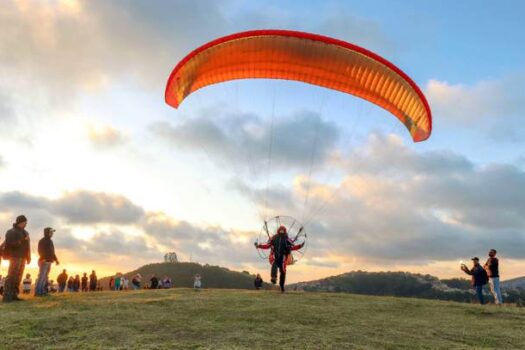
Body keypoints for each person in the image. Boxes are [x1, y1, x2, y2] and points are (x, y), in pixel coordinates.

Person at [255, 225, 304, 293]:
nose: (281, 231)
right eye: (280, 230)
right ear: (278, 230)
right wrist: (259, 246)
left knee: (283, 271)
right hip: (275, 256)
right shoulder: (274, 238)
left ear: (284, 231)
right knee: (274, 264)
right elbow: (267, 245)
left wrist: (300, 246)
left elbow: (292, 247)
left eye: (283, 230)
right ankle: (274, 278)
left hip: (283, 258)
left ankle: (282, 286)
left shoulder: (287, 239)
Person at [3, 215, 31, 302]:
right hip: (14, 256)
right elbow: (10, 244)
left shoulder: (25, 232)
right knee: (11, 276)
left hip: (22, 257)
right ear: (20, 222)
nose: (26, 223)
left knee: (18, 277)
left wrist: (28, 257)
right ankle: (7, 296)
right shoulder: (11, 231)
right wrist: (23, 240)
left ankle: (14, 295)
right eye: (25, 222)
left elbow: (27, 246)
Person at [35, 227, 59, 297]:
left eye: (52, 232)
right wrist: (43, 258)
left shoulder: (51, 241)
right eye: (51, 232)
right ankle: (38, 292)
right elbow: (40, 250)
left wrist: (56, 259)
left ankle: (42, 291)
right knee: (41, 277)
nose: (52, 234)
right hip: (43, 261)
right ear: (47, 232)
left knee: (45, 277)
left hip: (49, 261)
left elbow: (52, 252)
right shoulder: (42, 241)